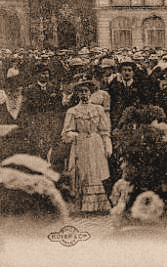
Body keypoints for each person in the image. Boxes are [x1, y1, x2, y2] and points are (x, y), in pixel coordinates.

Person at [61, 79, 112, 213]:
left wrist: (107, 146)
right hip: (81, 144)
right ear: (77, 94)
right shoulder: (72, 111)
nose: (84, 94)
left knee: (96, 173)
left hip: (96, 143)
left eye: (86, 91)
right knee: (83, 173)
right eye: (81, 92)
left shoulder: (98, 109)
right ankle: (83, 206)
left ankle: (99, 206)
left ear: (90, 93)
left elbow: (105, 130)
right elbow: (66, 132)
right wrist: (75, 135)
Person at [18, 63, 65, 162]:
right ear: (37, 75)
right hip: (35, 122)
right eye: (43, 74)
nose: (45, 76)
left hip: (50, 122)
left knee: (48, 145)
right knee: (35, 146)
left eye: (47, 74)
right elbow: (25, 109)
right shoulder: (30, 90)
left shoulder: (54, 88)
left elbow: (58, 107)